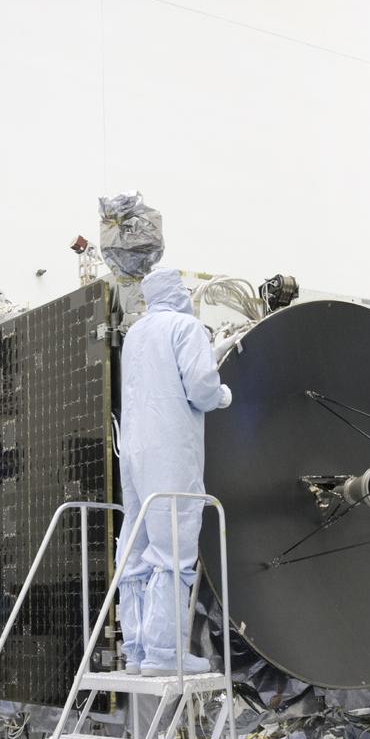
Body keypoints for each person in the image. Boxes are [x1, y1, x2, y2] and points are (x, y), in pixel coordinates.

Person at [115, 268, 232, 677]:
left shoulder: (136, 334)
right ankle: (166, 654)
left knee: (136, 546)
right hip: (169, 451)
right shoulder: (186, 326)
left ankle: (136, 650)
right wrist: (222, 393)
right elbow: (199, 387)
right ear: (176, 292)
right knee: (173, 549)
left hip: (133, 450)